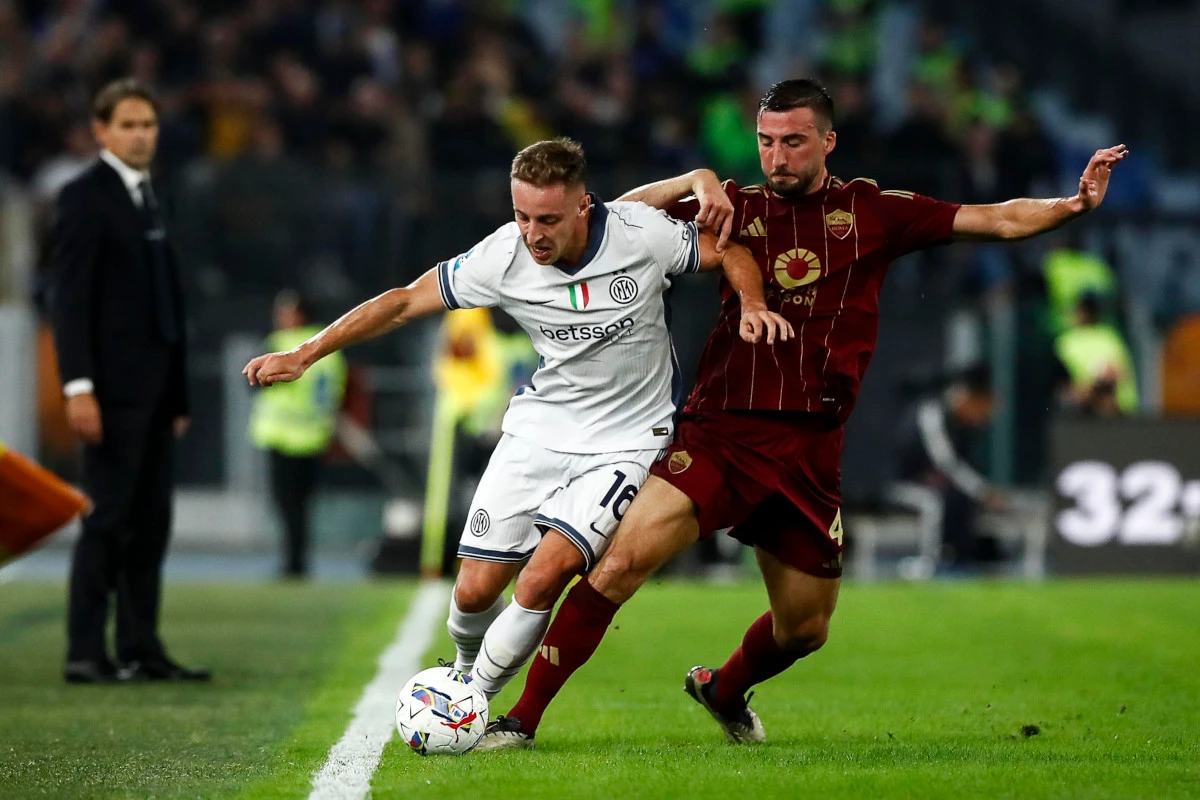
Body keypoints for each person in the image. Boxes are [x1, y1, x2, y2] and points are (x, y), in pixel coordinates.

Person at [479, 78, 1126, 749]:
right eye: (766, 141)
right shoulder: (734, 207)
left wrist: (1074, 204)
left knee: (805, 629)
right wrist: (695, 181)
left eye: (793, 141)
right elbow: (615, 221)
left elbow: (993, 219)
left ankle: (723, 688)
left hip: (812, 448)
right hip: (722, 431)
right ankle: (519, 720)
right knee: (619, 567)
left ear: (828, 141)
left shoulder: (873, 211)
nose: (777, 156)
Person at [242, 138, 790, 702]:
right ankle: (463, 671)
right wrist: (306, 352)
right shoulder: (503, 256)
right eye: (522, 216)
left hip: (627, 442)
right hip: (540, 430)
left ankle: (471, 703)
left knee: (541, 577)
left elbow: (728, 251)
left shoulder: (637, 233)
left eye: (547, 219)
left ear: (583, 206)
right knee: (473, 592)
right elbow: (404, 301)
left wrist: (752, 304)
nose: (533, 234)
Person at [52, 79, 209, 684]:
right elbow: (70, 301)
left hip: (155, 394)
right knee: (106, 520)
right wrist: (78, 386)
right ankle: (85, 651)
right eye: (128, 125)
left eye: (148, 124)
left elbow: (165, 302)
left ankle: (141, 646)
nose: (141, 135)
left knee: (151, 524)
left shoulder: (151, 195)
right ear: (101, 131)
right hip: (111, 392)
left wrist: (177, 395)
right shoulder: (83, 197)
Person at [249, 290, 348, 579]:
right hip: (314, 434)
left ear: (300, 314)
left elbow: (255, 380)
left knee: (286, 503)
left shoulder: (281, 343)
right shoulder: (328, 345)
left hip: (283, 434)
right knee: (302, 505)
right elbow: (335, 390)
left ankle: (292, 562)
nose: (280, 318)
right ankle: (297, 560)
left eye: (286, 312)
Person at [893, 365, 1006, 573]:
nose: (985, 415)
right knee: (934, 501)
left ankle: (960, 559)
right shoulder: (932, 413)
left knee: (961, 499)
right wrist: (982, 491)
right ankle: (929, 564)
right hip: (904, 484)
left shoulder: (966, 428)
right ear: (967, 398)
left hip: (942, 488)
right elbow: (945, 461)